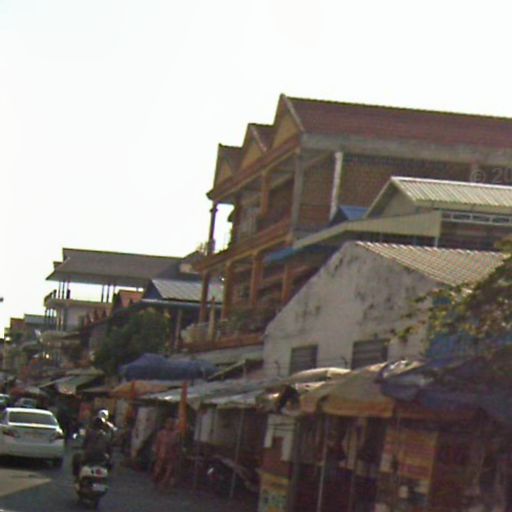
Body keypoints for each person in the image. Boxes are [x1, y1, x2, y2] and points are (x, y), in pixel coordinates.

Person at [152, 417, 180, 491]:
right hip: (161, 455)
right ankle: (156, 481)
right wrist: (155, 452)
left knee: (168, 471)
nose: (170, 425)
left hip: (170, 456)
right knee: (158, 471)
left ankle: (163, 485)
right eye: (168, 423)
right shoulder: (161, 433)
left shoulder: (175, 434)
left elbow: (177, 446)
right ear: (165, 424)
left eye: (172, 424)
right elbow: (157, 443)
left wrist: (176, 455)